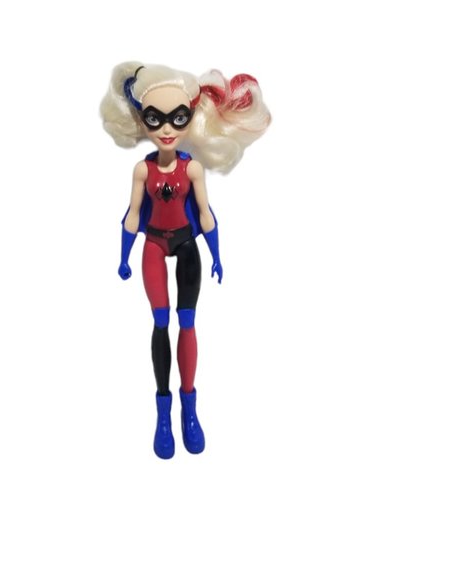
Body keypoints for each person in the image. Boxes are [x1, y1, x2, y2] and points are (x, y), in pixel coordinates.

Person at [100, 62, 271, 459]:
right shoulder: (142, 170)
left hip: (186, 244)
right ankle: (163, 414)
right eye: (154, 118)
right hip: (154, 244)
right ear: (140, 120)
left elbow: (205, 213)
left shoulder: (191, 168)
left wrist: (216, 254)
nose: (166, 128)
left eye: (178, 118)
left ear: (192, 118)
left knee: (188, 323)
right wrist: (124, 256)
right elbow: (132, 215)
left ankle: (189, 410)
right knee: (161, 323)